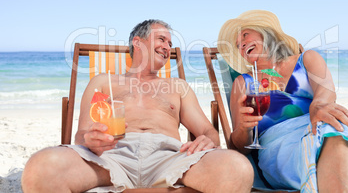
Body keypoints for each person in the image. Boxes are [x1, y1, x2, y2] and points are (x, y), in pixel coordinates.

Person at [22, 19, 254, 193]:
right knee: (40, 168)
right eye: (161, 39)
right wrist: (89, 140)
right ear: (138, 42)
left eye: (170, 44)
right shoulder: (105, 82)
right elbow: (82, 135)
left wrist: (209, 140)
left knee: (237, 168)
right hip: (110, 157)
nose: (167, 47)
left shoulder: (178, 87)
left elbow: (207, 131)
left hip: (170, 158)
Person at [217, 10, 348, 192]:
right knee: (336, 135)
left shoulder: (307, 59)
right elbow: (240, 148)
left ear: (265, 33)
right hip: (280, 150)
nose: (241, 45)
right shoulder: (243, 83)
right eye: (238, 45)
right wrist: (244, 128)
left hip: (317, 126)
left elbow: (326, 90)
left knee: (332, 125)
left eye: (245, 36)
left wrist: (318, 105)